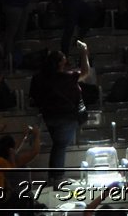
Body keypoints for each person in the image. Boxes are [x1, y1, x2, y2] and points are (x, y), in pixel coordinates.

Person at [29, 43, 91, 175]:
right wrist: (84, 53)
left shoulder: (39, 78)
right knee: (60, 146)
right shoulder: (67, 77)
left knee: (58, 145)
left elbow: (33, 96)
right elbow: (85, 73)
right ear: (60, 63)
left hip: (49, 116)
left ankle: (55, 176)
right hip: (66, 116)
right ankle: (56, 177)